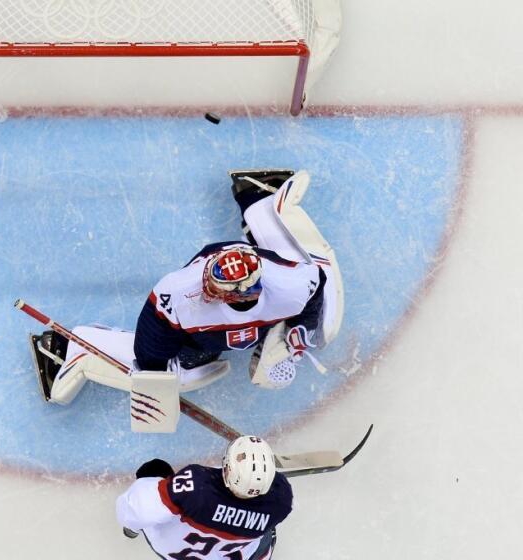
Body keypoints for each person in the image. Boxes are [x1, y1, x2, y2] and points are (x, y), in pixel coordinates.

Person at [28, 170, 343, 407]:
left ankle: (262, 203)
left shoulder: (290, 286)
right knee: (181, 370)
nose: (205, 289)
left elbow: (317, 291)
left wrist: (299, 330)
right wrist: (154, 375)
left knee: (325, 323)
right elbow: (152, 341)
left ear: (243, 294)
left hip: (263, 285)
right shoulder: (180, 294)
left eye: (217, 291)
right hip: (198, 336)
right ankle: (72, 347)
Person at [116, 435, 292, 560]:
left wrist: (130, 524)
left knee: (155, 469)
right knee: (267, 533)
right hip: (245, 555)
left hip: (174, 551)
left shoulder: (196, 486)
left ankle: (131, 531)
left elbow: (137, 509)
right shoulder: (281, 500)